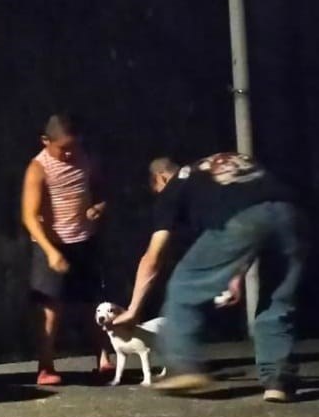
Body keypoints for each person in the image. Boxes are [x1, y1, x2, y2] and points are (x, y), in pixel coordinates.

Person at [107, 154, 306, 401]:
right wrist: (235, 275)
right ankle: (278, 381)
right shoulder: (219, 169)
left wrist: (134, 310)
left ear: (160, 178)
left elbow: (153, 257)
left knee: (183, 285)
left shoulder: (174, 186)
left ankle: (184, 368)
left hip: (240, 220)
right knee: (277, 299)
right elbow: (261, 215)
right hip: (292, 213)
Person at [20, 113, 113, 385]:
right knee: (50, 309)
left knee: (93, 303)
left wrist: (99, 207)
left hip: (84, 241)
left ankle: (104, 359)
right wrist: (50, 251)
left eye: (74, 146)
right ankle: (46, 367)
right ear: (45, 141)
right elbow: (29, 216)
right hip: (52, 245)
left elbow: (101, 191)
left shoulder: (85, 158)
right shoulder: (38, 168)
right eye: (63, 148)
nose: (70, 153)